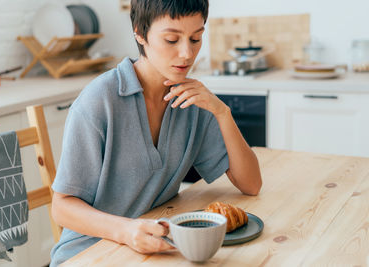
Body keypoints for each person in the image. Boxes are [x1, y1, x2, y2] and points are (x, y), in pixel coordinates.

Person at [49, 0, 262, 266]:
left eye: (196, 38)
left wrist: (222, 112)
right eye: (172, 40)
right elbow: (62, 207)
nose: (186, 53)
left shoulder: (193, 101)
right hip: (89, 252)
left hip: (152, 249)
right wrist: (126, 230)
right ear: (139, 32)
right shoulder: (98, 101)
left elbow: (251, 184)